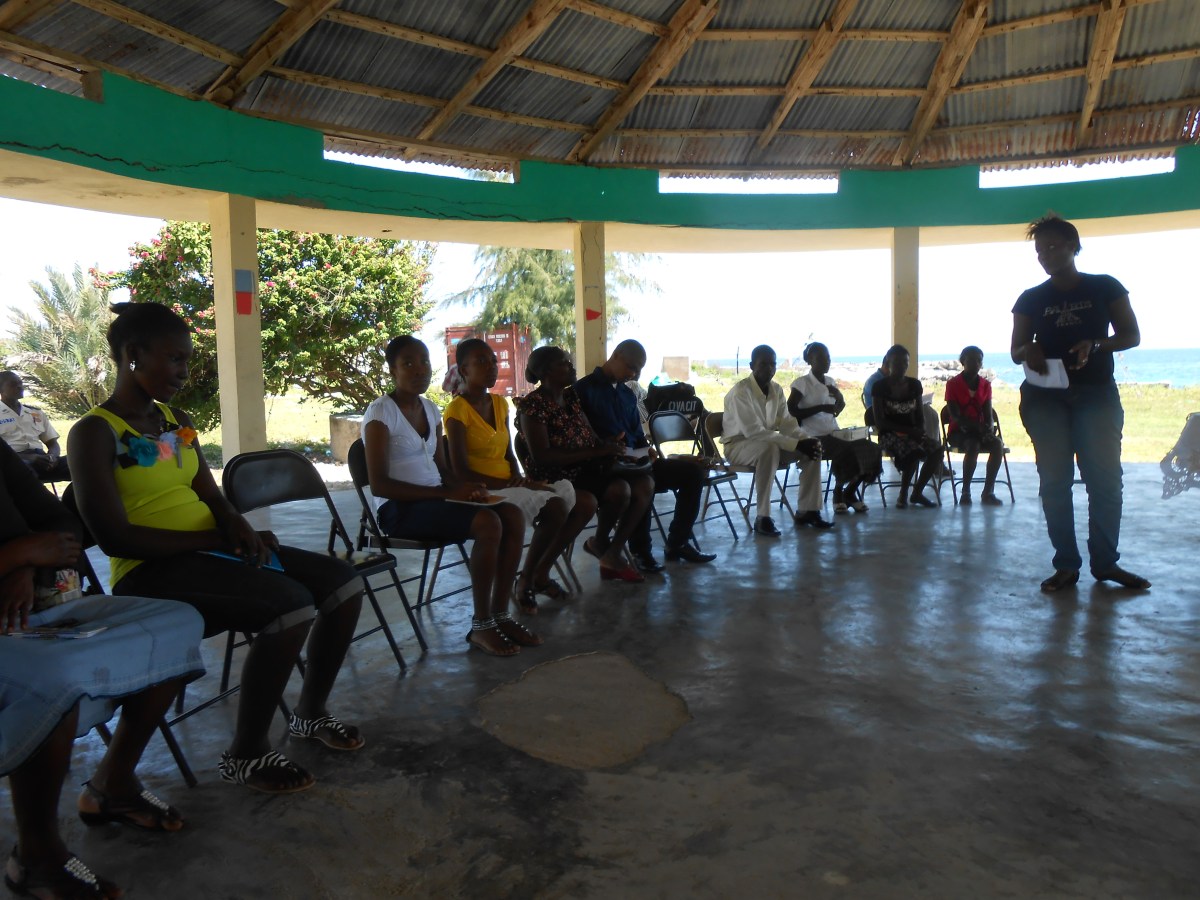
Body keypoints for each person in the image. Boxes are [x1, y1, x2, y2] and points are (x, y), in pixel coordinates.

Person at [70, 302, 366, 796]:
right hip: (148, 570)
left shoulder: (175, 420)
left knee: (343, 584)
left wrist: (237, 525)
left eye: (186, 361)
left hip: (211, 553)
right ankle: (246, 753)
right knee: (290, 606)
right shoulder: (93, 433)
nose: (183, 373)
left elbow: (210, 494)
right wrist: (216, 538)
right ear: (133, 354)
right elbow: (114, 538)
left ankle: (310, 714)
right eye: (174, 359)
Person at [1, 439, 205, 899]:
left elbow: (60, 522)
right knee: (54, 674)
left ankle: (112, 782)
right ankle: (36, 855)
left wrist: (24, 566)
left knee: (176, 623)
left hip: (33, 601)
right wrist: (16, 555)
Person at [362, 335, 540, 656]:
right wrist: (442, 492)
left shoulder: (430, 410)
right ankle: (482, 625)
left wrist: (464, 488)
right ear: (392, 370)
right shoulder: (380, 413)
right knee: (488, 523)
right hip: (399, 511)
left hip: (436, 500)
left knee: (512, 514)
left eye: (424, 362)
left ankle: (500, 615)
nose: (419, 369)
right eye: (408, 363)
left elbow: (443, 469)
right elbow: (380, 486)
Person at [1011, 214, 1150, 592]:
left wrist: (1097, 343)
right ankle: (1066, 566)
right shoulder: (1030, 298)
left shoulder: (1105, 286)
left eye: (1052, 246)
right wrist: (1029, 349)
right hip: (1045, 397)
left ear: (1073, 246)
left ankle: (1106, 564)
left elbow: (1131, 335)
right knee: (1054, 483)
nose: (1045, 255)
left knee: (1105, 482)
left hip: (1096, 393)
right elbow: (1015, 350)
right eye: (1039, 250)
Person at [444, 338, 587, 615]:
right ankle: (525, 581)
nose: (491, 367)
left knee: (565, 500)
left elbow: (508, 453)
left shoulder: (499, 403)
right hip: (480, 490)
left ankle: (531, 576)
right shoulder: (457, 411)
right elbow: (460, 471)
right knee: (555, 507)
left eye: (494, 361)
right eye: (481, 362)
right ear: (463, 369)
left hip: (508, 484)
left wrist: (518, 477)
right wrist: (511, 483)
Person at [574, 340, 717, 570]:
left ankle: (678, 542)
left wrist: (646, 450)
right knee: (642, 480)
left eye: (639, 369)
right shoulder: (583, 391)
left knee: (692, 473)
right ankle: (640, 550)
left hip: (634, 460)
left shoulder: (627, 394)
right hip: (606, 465)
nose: (634, 374)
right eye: (631, 367)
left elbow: (637, 435)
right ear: (616, 355)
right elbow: (581, 439)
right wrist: (611, 449)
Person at [515, 346, 648, 583]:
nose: (572, 367)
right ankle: (539, 572)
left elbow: (590, 437)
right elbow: (542, 457)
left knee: (626, 488)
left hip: (582, 470)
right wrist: (597, 451)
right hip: (554, 476)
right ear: (546, 372)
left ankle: (603, 546)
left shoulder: (570, 398)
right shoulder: (533, 406)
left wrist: (609, 445)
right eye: (564, 363)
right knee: (600, 497)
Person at [722, 344, 830, 536]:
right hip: (738, 446)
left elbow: (788, 424)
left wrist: (806, 439)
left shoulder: (776, 390)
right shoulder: (741, 392)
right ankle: (762, 517)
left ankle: (808, 510)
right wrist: (796, 444)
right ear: (752, 366)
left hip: (768, 443)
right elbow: (754, 432)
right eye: (763, 364)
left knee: (812, 448)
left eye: (772, 364)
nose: (769, 369)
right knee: (769, 449)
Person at [787, 342, 882, 514]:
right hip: (813, 436)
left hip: (834, 432)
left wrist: (839, 400)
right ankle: (838, 493)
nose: (827, 362)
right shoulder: (802, 383)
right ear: (810, 360)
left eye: (828, 358)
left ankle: (850, 492)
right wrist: (821, 408)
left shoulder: (830, 381)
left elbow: (839, 406)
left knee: (871, 449)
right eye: (821, 358)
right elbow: (792, 410)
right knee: (845, 450)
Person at [871, 344, 941, 508]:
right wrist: (910, 431)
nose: (902, 366)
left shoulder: (914, 385)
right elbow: (880, 422)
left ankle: (917, 492)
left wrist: (921, 430)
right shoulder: (879, 387)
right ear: (888, 363)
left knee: (937, 450)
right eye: (897, 362)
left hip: (913, 433)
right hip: (889, 434)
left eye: (905, 362)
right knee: (914, 450)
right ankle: (903, 494)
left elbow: (919, 414)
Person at [943, 346, 1004, 506]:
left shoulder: (985, 385)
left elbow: (988, 413)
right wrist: (977, 427)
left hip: (980, 430)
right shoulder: (953, 384)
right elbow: (955, 416)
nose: (976, 364)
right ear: (963, 361)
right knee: (973, 445)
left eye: (979, 360)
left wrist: (989, 427)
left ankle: (988, 492)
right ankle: (966, 491)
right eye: (971, 360)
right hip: (959, 431)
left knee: (997, 444)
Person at [0, 371, 70, 482]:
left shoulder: (35, 413)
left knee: (79, 463)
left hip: (42, 460)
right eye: (13, 384)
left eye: (20, 383)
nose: (20, 387)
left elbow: (52, 443)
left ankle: (78, 493)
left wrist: (52, 457)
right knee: (23, 469)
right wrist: (30, 458)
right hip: (15, 461)